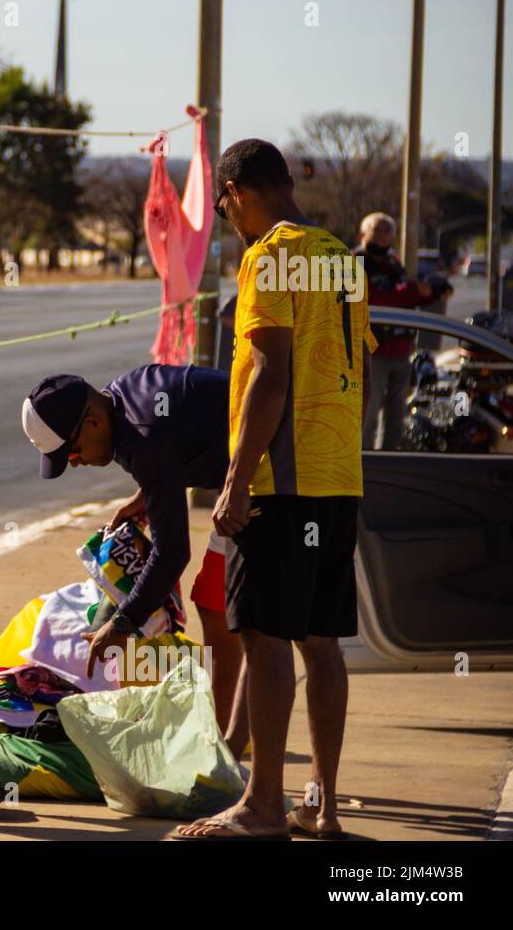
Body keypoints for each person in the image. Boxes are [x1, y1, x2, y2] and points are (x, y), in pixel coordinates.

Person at [175, 139, 376, 841]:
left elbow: (268, 372)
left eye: (224, 203)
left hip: (279, 483)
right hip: (336, 475)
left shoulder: (269, 257)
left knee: (263, 636)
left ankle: (262, 805)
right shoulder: (343, 259)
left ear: (234, 192)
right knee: (321, 644)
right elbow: (365, 375)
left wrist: (234, 482)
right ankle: (322, 806)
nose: (228, 215)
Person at [21, 365, 247, 753]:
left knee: (228, 612)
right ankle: (225, 742)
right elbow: (185, 432)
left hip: (275, 480)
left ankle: (221, 751)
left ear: (92, 422)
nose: (74, 462)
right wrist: (151, 493)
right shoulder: (122, 394)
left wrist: (122, 623)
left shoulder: (142, 441)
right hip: (252, 479)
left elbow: (173, 552)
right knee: (217, 607)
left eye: (71, 452)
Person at [354, 212, 433, 449]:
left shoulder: (394, 263)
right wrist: (415, 291)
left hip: (401, 350)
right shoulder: (356, 261)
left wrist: (433, 292)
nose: (383, 236)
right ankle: (364, 464)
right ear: (363, 233)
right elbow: (374, 298)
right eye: (377, 230)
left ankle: (391, 462)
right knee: (369, 411)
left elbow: (406, 299)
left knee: (397, 413)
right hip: (372, 350)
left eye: (388, 231)